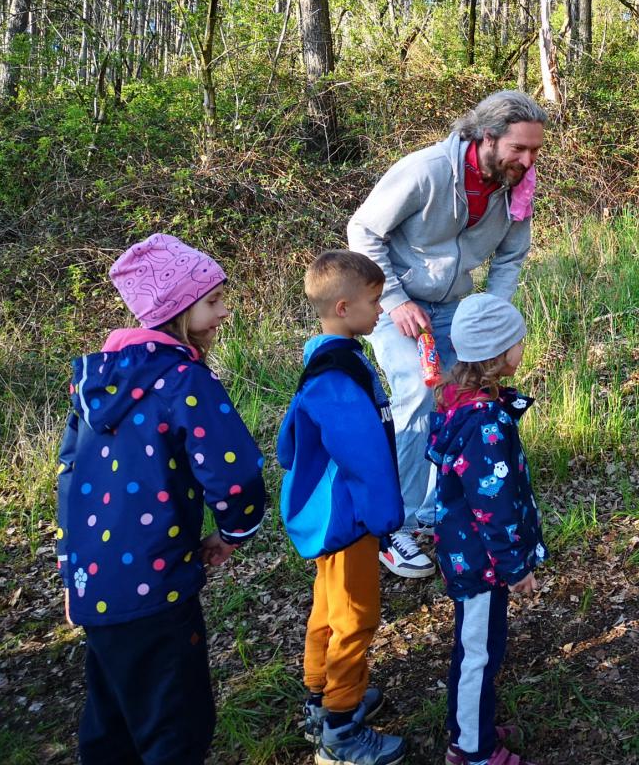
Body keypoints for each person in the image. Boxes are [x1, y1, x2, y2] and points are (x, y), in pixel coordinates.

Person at [56, 233, 267, 764]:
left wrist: (68, 569)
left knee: (111, 723)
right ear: (177, 309)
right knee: (175, 725)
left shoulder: (94, 384)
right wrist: (235, 530)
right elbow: (234, 471)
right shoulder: (183, 381)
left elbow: (69, 478)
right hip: (156, 587)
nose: (224, 312)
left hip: (95, 584)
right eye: (213, 301)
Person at [348, 90, 547, 579]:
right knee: (419, 392)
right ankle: (395, 525)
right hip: (392, 303)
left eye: (535, 150)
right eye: (519, 148)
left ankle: (440, 507)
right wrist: (394, 298)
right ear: (487, 136)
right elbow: (364, 231)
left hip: (456, 306)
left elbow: (510, 257)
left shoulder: (517, 185)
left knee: (468, 395)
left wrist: (490, 319)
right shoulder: (427, 171)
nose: (528, 161)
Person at [276, 251, 406, 765]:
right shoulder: (340, 375)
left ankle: (320, 695)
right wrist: (385, 518)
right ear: (344, 307)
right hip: (349, 517)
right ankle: (341, 727)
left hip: (330, 514)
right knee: (355, 618)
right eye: (375, 301)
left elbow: (288, 444)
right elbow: (365, 456)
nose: (381, 310)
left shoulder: (321, 360)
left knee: (327, 610)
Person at [428, 293, 546, 765]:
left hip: (474, 554)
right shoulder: (483, 425)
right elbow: (492, 506)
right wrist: (516, 567)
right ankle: (471, 750)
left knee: (482, 646)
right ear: (498, 353)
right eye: (518, 340)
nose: (523, 347)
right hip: (482, 561)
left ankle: (470, 723)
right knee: (478, 653)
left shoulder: (465, 403)